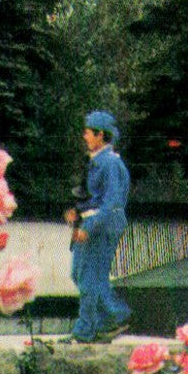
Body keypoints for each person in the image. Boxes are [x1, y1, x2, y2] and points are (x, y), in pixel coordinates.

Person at [62, 111, 131, 342]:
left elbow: (111, 202)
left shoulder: (110, 163)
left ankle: (87, 330)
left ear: (101, 135)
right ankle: (109, 321)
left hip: (103, 227)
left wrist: (89, 226)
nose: (84, 136)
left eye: (88, 132)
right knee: (80, 274)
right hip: (94, 223)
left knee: (89, 278)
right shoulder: (99, 160)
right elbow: (95, 197)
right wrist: (79, 212)